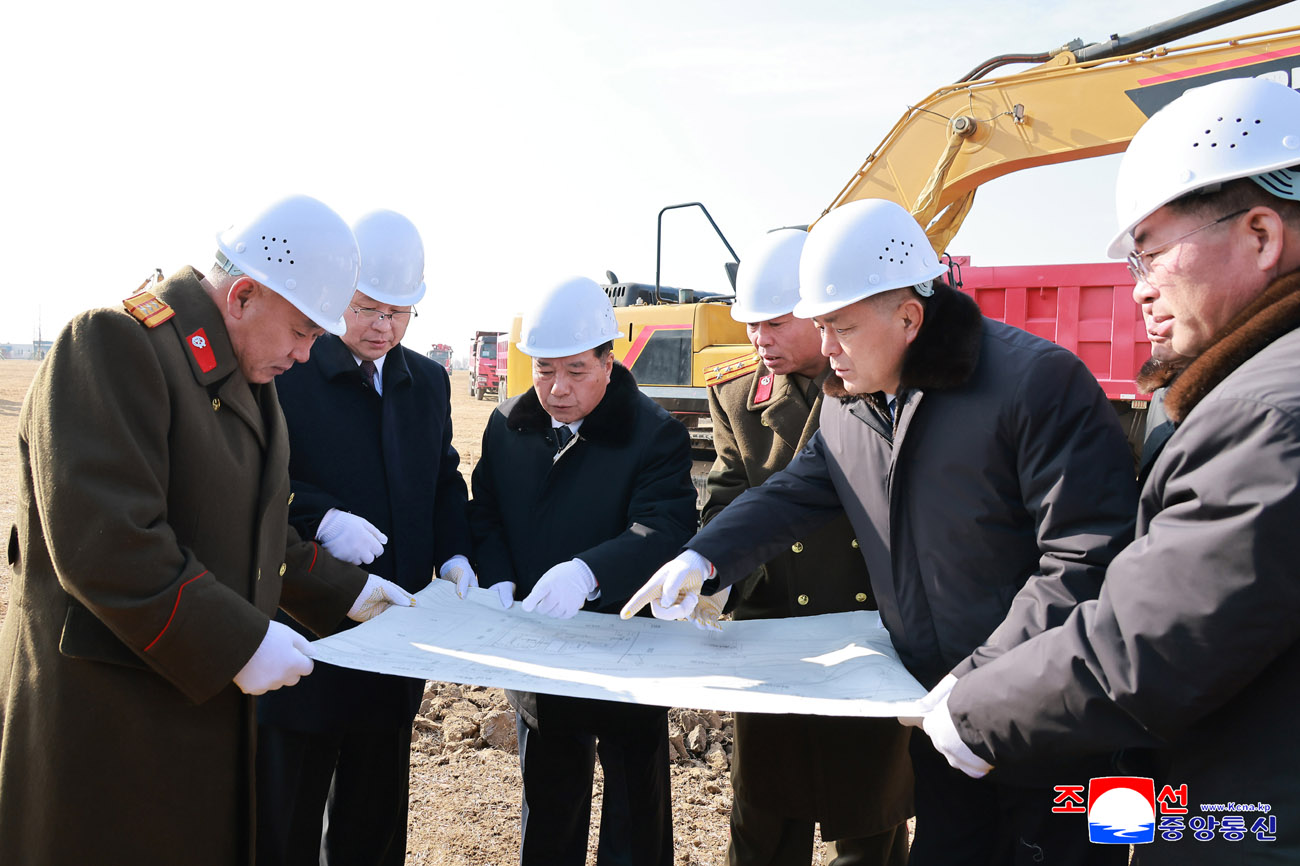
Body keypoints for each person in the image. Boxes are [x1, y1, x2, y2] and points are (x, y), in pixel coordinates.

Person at [625, 197, 1137, 865]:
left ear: (909, 316)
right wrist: (704, 557)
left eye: (840, 327)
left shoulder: (1035, 386)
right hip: (942, 722)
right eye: (821, 326)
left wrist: (980, 680)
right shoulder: (853, 404)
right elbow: (795, 493)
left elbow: (1084, 557)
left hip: (1045, 726)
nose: (826, 349)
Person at [920, 76, 1300, 865]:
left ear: (1261, 235)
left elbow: (1146, 648)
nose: (1138, 291)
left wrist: (970, 711)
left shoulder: (1269, 415)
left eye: (1149, 252)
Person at [0, 195, 416, 864]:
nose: (308, 355)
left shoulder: (250, 379)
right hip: (113, 729)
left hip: (191, 716)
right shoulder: (112, 343)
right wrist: (241, 644)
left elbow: (264, 539)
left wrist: (356, 596)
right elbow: (108, 543)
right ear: (244, 295)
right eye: (304, 331)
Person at [255, 209, 473, 865]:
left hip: (393, 638)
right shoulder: (289, 372)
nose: (382, 327)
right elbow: (258, 480)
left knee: (373, 818)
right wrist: (318, 516)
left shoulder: (427, 384)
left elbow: (442, 479)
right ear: (337, 298)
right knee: (285, 816)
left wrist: (455, 550)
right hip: (308, 633)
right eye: (367, 308)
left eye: (399, 313)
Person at [459, 276, 696, 866]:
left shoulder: (654, 433)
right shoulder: (509, 427)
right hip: (542, 645)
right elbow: (485, 513)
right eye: (544, 371)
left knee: (635, 808)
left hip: (625, 643)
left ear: (608, 363)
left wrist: (586, 572)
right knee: (549, 799)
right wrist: (499, 575)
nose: (557, 390)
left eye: (576, 372)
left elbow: (662, 529)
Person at [702, 228, 912, 866]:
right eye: (750, 325)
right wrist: (710, 574)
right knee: (767, 812)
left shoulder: (883, 385)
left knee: (868, 814)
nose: (759, 339)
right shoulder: (739, 396)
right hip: (774, 632)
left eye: (774, 322)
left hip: (867, 627)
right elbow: (727, 496)